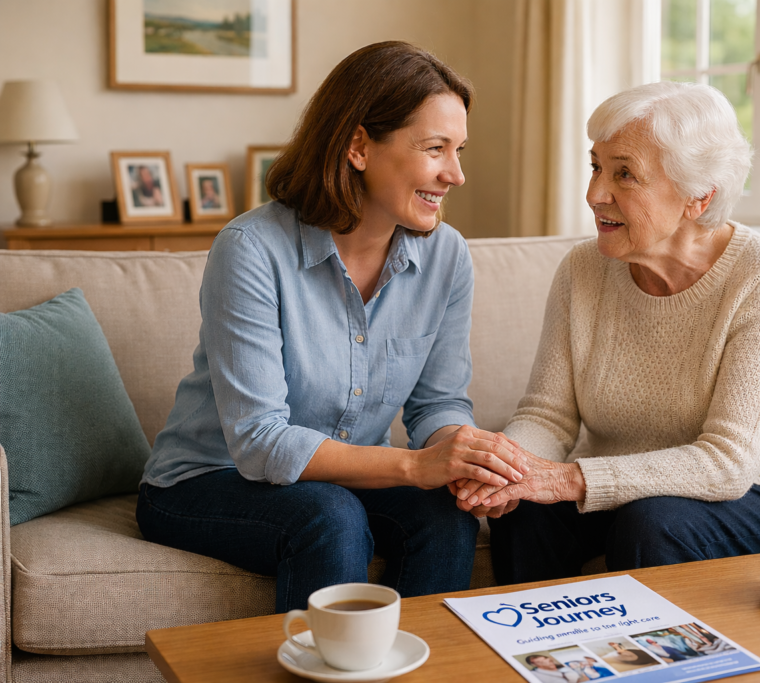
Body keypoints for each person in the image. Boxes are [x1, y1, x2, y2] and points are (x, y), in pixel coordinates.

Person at [136, 41, 529, 613]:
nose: (456, 174)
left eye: (459, 150)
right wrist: (416, 466)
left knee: (446, 511)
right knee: (329, 516)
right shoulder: (251, 249)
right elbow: (259, 441)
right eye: (435, 149)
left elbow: (437, 402)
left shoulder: (447, 256)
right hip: (205, 481)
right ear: (358, 146)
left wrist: (463, 459)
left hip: (342, 479)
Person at [456, 80, 760, 582]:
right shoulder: (582, 269)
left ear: (698, 198)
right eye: (596, 166)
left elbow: (729, 462)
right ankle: (534, 651)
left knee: (651, 522)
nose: (594, 194)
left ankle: (659, 659)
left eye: (624, 175)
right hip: (631, 486)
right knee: (527, 502)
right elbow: (548, 416)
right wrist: (507, 471)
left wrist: (570, 479)